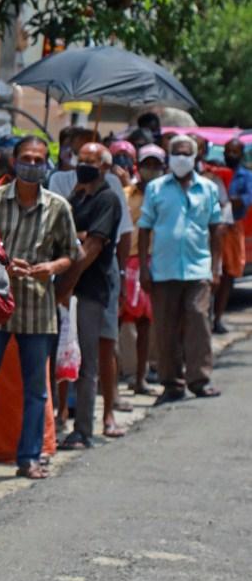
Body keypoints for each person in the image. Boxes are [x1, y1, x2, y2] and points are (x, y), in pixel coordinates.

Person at [0, 135, 78, 479]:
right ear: (14, 162)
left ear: (46, 164)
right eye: (26, 158)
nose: (32, 164)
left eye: (38, 160)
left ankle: (28, 457)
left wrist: (51, 269)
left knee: (36, 390)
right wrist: (0, 266)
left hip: (38, 307)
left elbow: (71, 254)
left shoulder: (58, 206)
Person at [138, 136, 223, 404]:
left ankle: (199, 379)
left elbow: (216, 228)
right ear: (169, 156)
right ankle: (172, 383)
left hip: (198, 268)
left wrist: (216, 267)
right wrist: (143, 267)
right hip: (163, 269)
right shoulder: (156, 189)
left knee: (198, 319)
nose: (181, 158)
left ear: (195, 156)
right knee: (165, 327)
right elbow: (144, 229)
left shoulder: (207, 188)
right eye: (176, 153)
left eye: (186, 153)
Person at [56, 143, 125, 449]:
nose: (84, 165)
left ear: (106, 167)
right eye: (81, 160)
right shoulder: (77, 195)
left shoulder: (107, 198)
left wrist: (67, 283)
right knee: (60, 357)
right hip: (66, 287)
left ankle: (83, 428)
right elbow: (64, 232)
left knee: (87, 360)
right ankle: (58, 419)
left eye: (91, 161)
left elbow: (93, 246)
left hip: (90, 288)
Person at [121, 145, 166, 395]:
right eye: (147, 163)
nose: (152, 169)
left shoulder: (166, 194)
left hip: (156, 261)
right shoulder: (126, 193)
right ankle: (129, 373)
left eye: (156, 164)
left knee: (149, 321)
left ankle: (146, 373)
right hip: (129, 261)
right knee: (126, 320)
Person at [214, 139, 252, 333]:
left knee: (228, 275)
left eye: (235, 151)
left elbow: (244, 201)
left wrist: (226, 200)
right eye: (228, 151)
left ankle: (218, 318)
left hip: (233, 227)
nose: (231, 155)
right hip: (213, 227)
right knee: (214, 275)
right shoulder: (216, 173)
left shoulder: (246, 176)